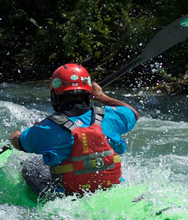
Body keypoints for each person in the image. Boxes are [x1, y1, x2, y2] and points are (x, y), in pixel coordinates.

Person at [8, 63, 139, 198]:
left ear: (55, 95)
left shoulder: (46, 128)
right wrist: (102, 97)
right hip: (113, 189)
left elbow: (20, 143)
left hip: (70, 197)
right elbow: (133, 113)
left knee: (30, 165)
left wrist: (16, 136)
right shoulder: (110, 117)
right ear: (88, 92)